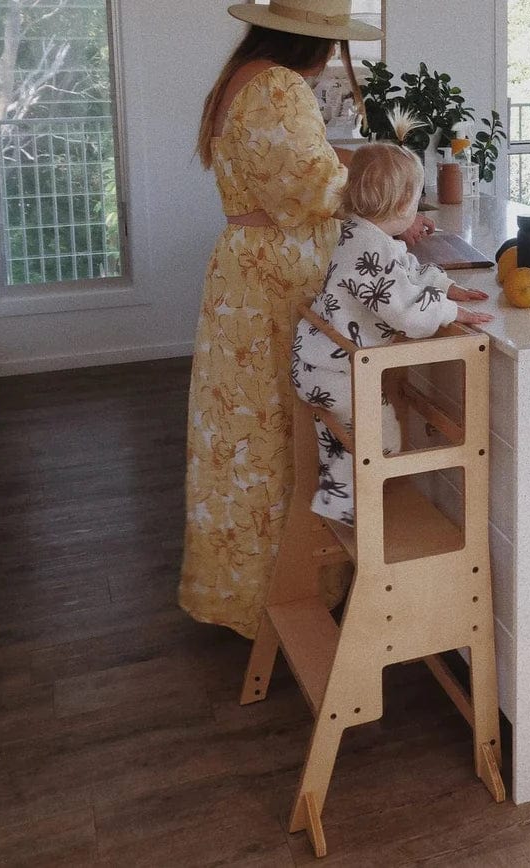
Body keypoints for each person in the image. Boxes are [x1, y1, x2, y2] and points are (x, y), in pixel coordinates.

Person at [180, 2, 391, 639]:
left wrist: (343, 164)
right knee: (275, 436)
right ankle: (279, 599)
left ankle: (240, 591)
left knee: (240, 434)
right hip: (276, 284)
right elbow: (312, 190)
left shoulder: (240, 76)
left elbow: (289, 172)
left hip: (246, 276)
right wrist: (386, 183)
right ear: (310, 41)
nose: (331, 56)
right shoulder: (277, 85)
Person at [293, 142, 493, 525]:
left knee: (340, 440)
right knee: (382, 444)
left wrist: (445, 286)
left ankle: (341, 506)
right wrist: (451, 310)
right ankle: (363, 521)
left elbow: (404, 272)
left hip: (319, 366)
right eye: (417, 201)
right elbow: (408, 314)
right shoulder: (374, 249)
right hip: (337, 375)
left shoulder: (362, 234)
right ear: (403, 205)